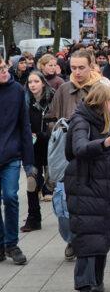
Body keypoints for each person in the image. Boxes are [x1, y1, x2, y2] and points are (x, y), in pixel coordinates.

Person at [64, 82, 110, 292]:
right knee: (88, 235)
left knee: (101, 233)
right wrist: (105, 143)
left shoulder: (102, 121)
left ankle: (96, 280)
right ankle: (84, 286)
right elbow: (79, 149)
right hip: (84, 185)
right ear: (103, 101)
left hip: (100, 185)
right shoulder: (81, 121)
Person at [0, 56, 33, 264]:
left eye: (4, 67)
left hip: (11, 154)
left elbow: (25, 125)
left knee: (11, 196)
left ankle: (11, 244)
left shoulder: (17, 91)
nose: (3, 71)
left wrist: (29, 162)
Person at [20, 71, 55, 232]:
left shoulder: (53, 98)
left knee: (54, 183)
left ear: (42, 82)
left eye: (35, 81)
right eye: (30, 82)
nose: (32, 85)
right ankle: (34, 217)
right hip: (31, 147)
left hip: (51, 146)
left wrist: (47, 132)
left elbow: (58, 120)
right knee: (31, 181)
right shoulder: (23, 100)